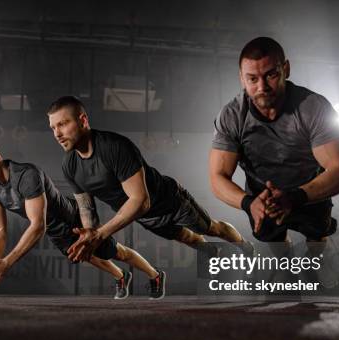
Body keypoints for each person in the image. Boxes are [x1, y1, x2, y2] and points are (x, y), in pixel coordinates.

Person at [46, 97, 253, 284]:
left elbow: (140, 200)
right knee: (188, 239)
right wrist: (88, 235)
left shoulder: (114, 147)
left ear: (82, 120)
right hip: (147, 217)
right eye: (53, 127)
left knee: (210, 229)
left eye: (63, 124)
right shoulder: (69, 166)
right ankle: (210, 251)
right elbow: (86, 209)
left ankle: (244, 246)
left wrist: (99, 235)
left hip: (170, 201)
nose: (57, 134)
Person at [209, 37, 339, 287]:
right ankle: (286, 266)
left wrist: (294, 197)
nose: (262, 86)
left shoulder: (313, 107)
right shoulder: (233, 115)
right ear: (241, 78)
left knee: (317, 234)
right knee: (272, 237)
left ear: (285, 69)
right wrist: (248, 203)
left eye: (271, 75)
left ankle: (311, 263)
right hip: (262, 198)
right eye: (252, 79)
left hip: (309, 192)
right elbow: (217, 176)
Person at [0, 138, 165, 299]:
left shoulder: (26, 175)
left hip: (73, 219)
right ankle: (122, 276)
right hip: (54, 229)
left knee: (115, 252)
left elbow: (37, 225)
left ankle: (155, 275)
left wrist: (7, 262)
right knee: (86, 256)